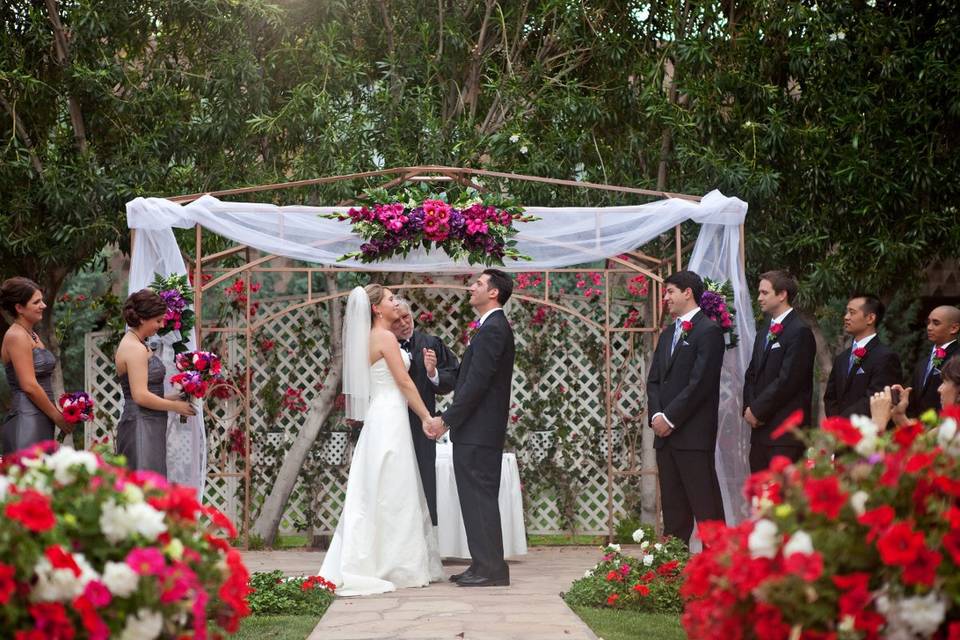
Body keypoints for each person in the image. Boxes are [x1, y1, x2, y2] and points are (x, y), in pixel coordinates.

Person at [319, 284, 443, 596]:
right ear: (376, 309)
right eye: (390, 299)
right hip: (390, 416)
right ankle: (395, 564)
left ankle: (386, 559)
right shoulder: (384, 337)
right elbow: (403, 382)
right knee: (394, 488)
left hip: (383, 414)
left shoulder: (374, 338)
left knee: (385, 487)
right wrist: (427, 417)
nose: (395, 302)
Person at [424, 269, 516, 587]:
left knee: (480, 497)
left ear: (493, 293)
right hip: (475, 430)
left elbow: (477, 384)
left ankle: (492, 569)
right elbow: (464, 376)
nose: (471, 287)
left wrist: (446, 419)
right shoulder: (487, 327)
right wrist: (436, 375)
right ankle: (482, 564)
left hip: (480, 430)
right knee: (474, 498)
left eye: (478, 283)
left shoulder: (493, 329)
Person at [645, 270, 726, 546]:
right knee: (674, 511)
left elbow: (700, 383)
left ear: (687, 292)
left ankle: (716, 572)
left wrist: (670, 417)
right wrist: (656, 415)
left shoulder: (709, 331)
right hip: (665, 438)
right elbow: (654, 379)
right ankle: (673, 573)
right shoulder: (668, 333)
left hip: (693, 436)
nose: (665, 297)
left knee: (706, 509)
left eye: (669, 291)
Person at [391, 298, 459, 527]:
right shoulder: (380, 345)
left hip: (421, 426)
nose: (403, 323)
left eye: (406, 317)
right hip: (389, 422)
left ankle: (424, 539)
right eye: (397, 320)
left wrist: (432, 373)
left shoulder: (429, 343)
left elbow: (453, 377)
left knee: (422, 479)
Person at [115, 289, 195, 475]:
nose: (160, 326)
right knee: (146, 484)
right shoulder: (134, 348)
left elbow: (143, 389)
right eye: (158, 321)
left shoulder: (138, 343)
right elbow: (140, 396)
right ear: (142, 319)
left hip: (149, 422)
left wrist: (174, 397)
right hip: (140, 425)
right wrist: (177, 407)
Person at [743, 270, 816, 471]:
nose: (759, 298)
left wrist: (757, 410)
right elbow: (751, 374)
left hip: (785, 436)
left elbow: (788, 380)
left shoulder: (799, 331)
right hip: (759, 434)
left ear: (782, 294)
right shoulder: (763, 332)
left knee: (783, 499)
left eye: (764, 293)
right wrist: (748, 408)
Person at [1, 277, 71, 453]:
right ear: (19, 308)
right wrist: (57, 416)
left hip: (40, 416)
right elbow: (29, 385)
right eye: (36, 302)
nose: (44, 305)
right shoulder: (16, 336)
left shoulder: (31, 334)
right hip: (27, 418)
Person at [823, 295, 901, 418]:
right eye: (846, 312)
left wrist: (843, 421)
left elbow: (876, 397)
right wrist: (835, 423)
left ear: (870, 318)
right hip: (838, 432)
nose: (846, 317)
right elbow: (830, 397)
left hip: (868, 430)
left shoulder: (885, 357)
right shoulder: (842, 358)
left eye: (852, 312)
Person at [871, 356, 960, 429]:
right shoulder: (950, 427)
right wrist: (899, 415)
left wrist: (879, 423)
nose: (939, 389)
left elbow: (924, 448)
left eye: (944, 382)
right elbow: (921, 442)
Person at [907, 305, 960, 418]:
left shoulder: (957, 359)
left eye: (936, 323)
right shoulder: (922, 363)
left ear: (954, 328)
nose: (929, 328)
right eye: (928, 322)